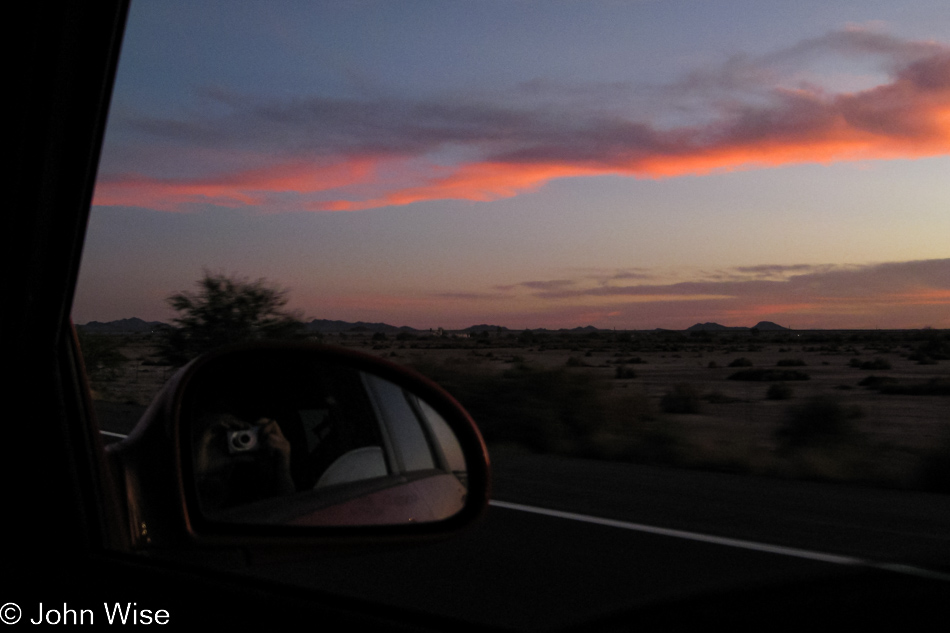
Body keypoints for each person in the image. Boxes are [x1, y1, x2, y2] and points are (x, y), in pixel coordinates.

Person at [193, 413, 296, 514]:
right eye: (221, 438)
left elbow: (286, 514)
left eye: (246, 435)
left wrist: (282, 470)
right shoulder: (201, 469)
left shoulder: (249, 485)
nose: (238, 441)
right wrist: (198, 471)